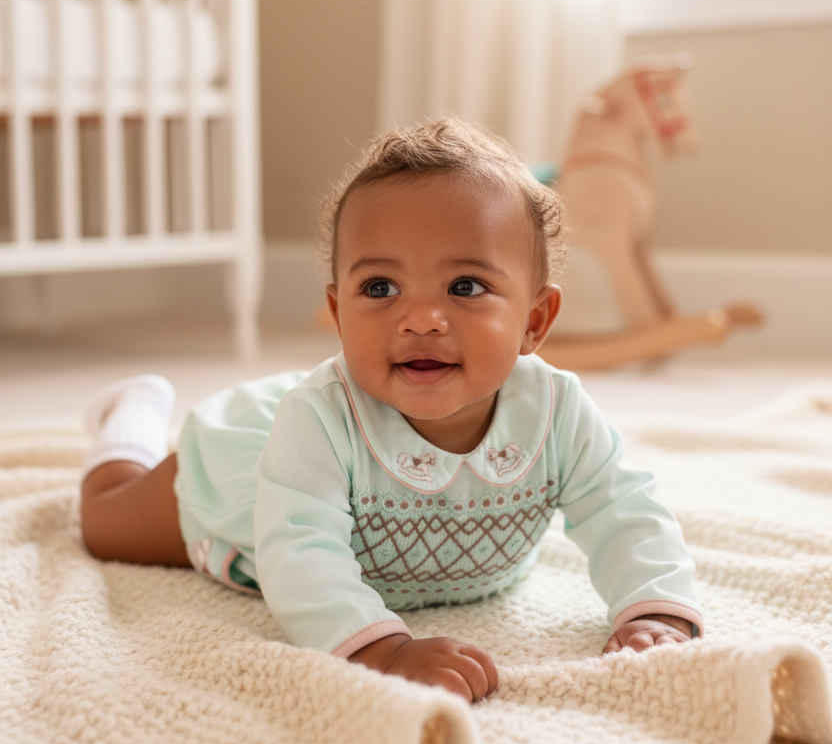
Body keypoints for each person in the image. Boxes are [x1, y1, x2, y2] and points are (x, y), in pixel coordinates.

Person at [80, 116, 704, 704]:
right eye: (379, 289)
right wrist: (381, 649)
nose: (421, 319)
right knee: (106, 524)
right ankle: (129, 420)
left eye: (465, 287)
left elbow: (625, 508)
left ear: (534, 321)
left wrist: (655, 609)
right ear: (338, 311)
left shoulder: (557, 409)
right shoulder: (315, 421)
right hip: (250, 476)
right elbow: (299, 553)